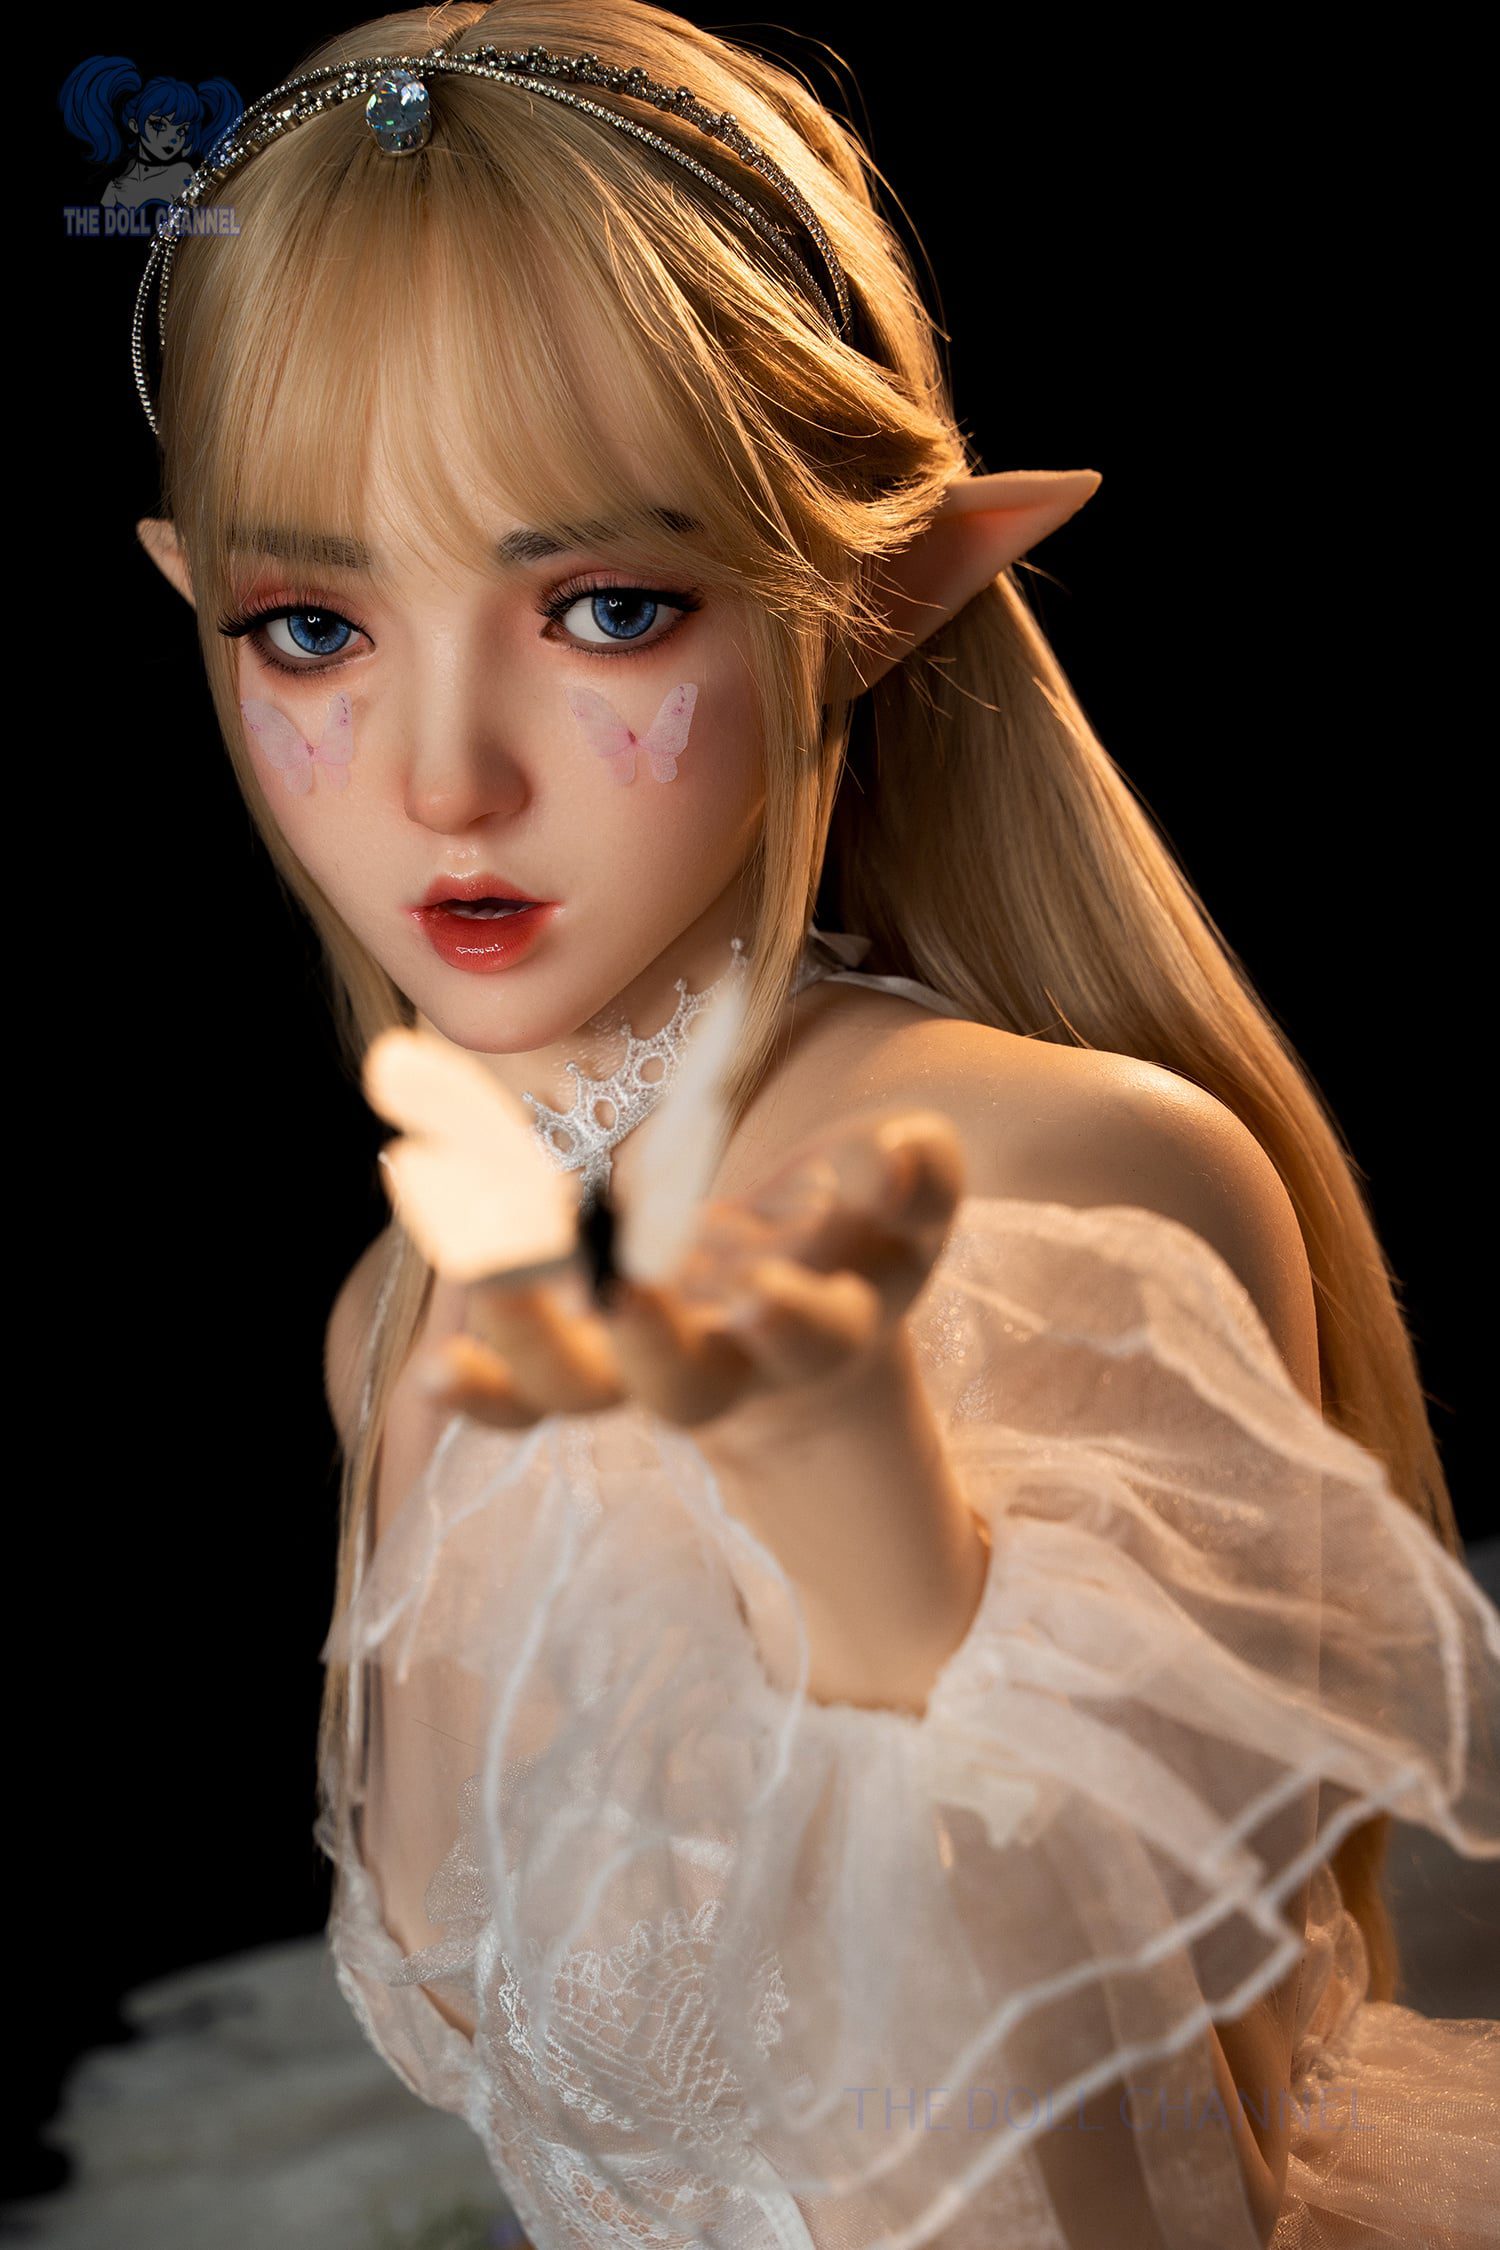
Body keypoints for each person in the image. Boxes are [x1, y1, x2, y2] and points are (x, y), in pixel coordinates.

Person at [131, 6, 1500, 2244]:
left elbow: (1154, 2185)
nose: (443, 775)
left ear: (880, 597)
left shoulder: (1066, 1187)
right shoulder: (400, 1311)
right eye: (310, 628)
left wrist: (874, 1543)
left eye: (606, 608)